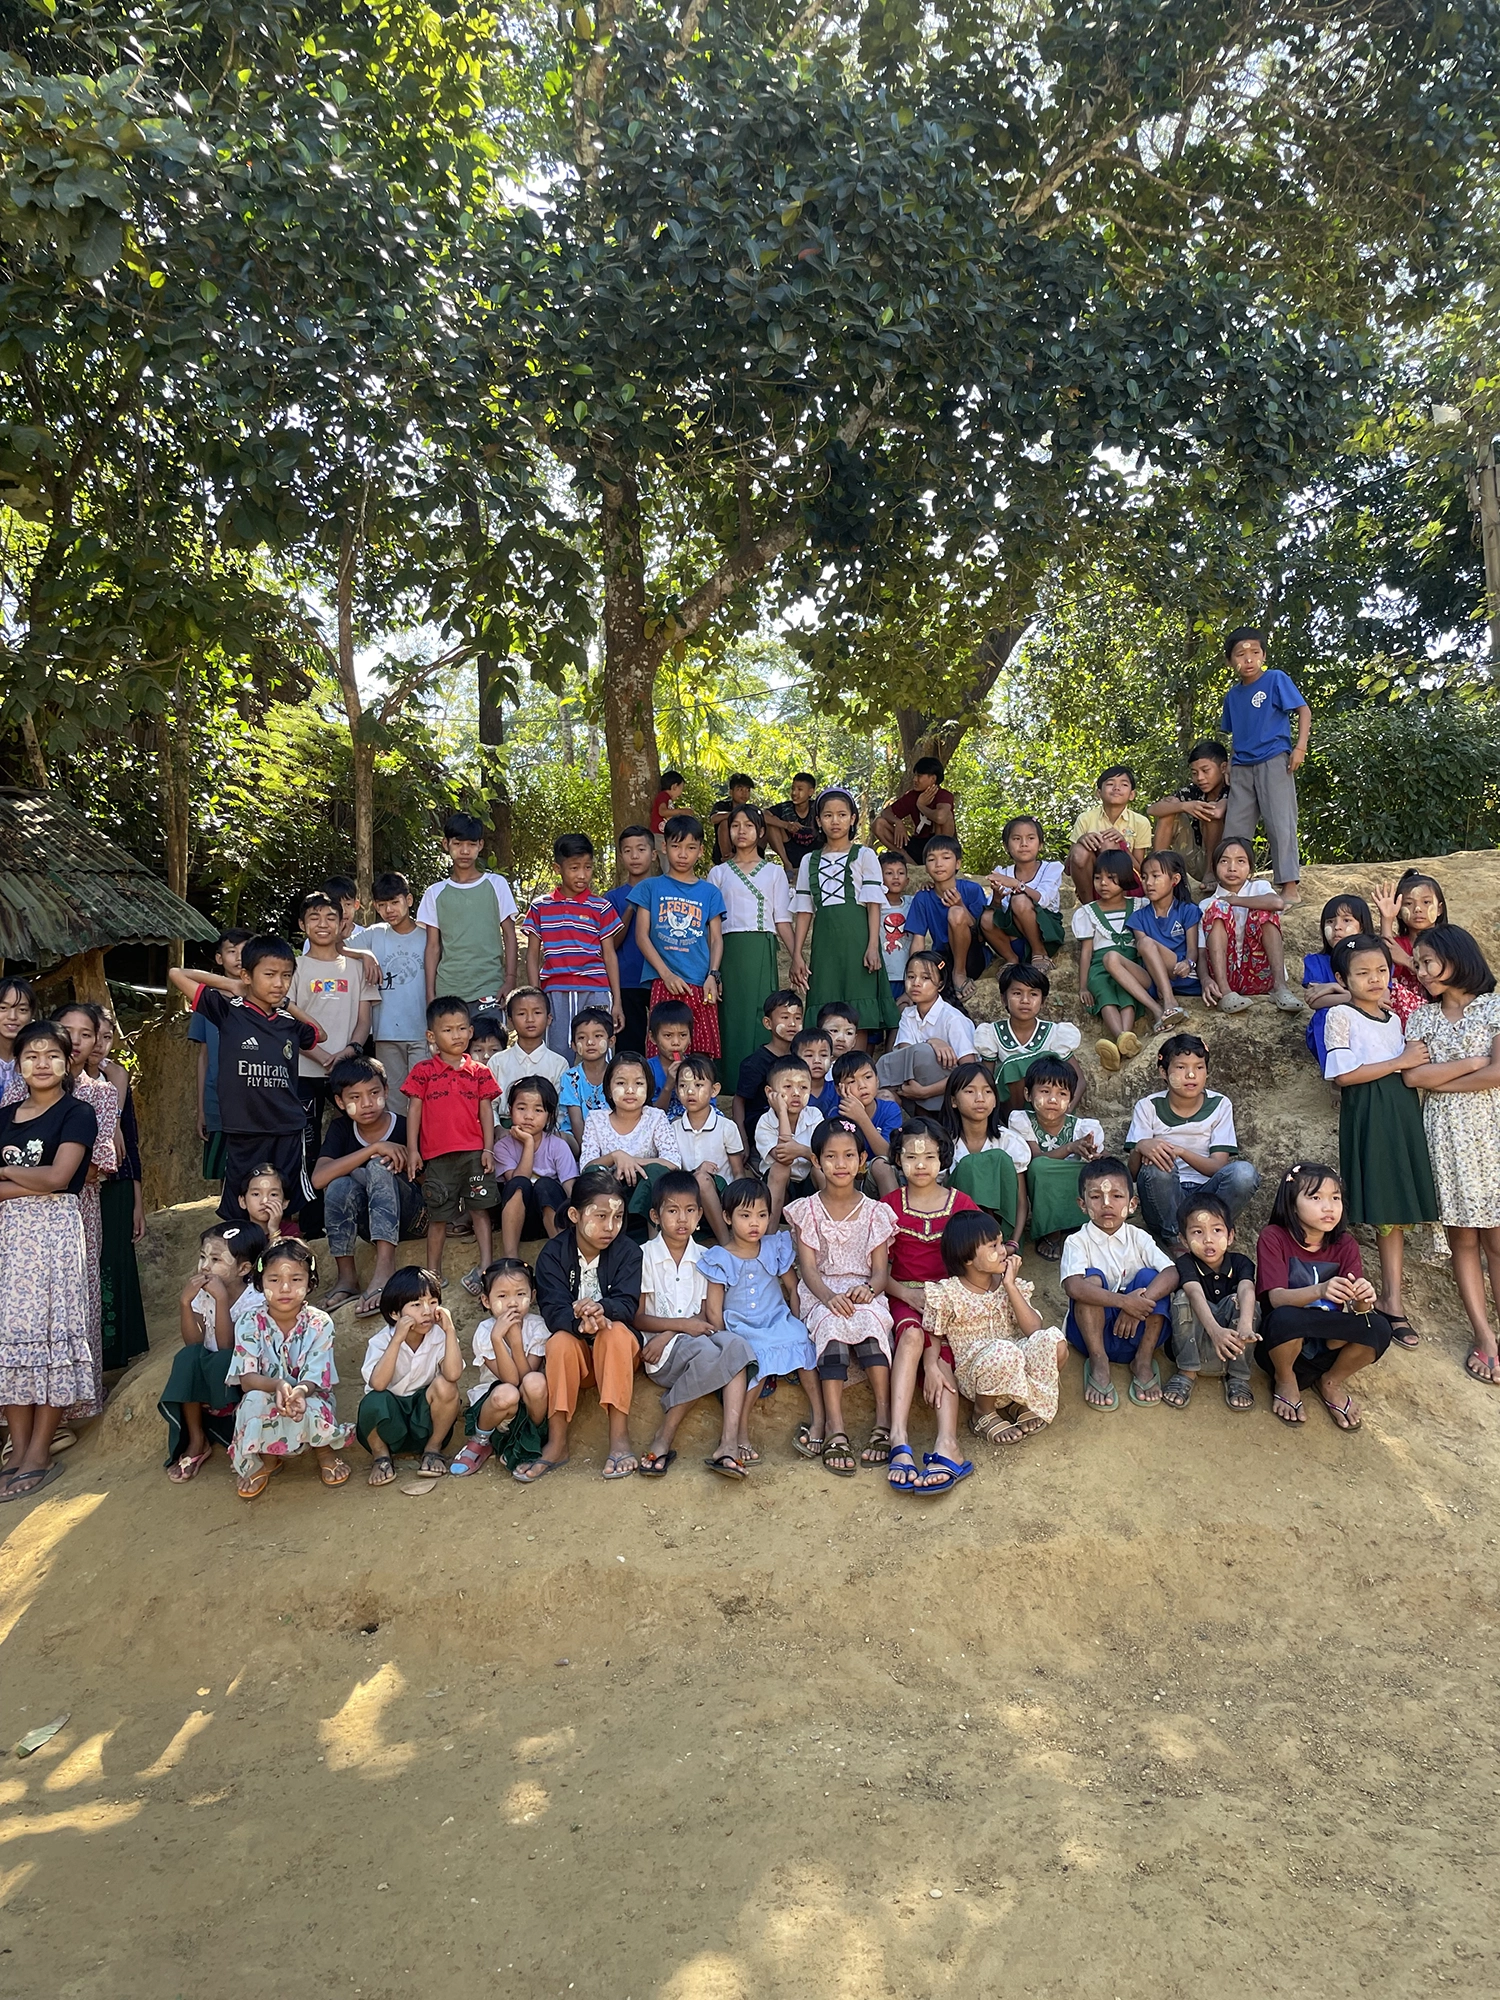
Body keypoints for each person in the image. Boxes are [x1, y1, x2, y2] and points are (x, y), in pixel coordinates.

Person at [1320, 934, 1437, 1350]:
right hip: (1370, 1112)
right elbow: (1343, 1075)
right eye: (1363, 973)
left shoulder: (1394, 1017)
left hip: (1401, 1113)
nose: (1375, 979)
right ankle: (1352, 1298)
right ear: (1342, 978)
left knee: (1395, 1210)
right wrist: (1400, 1062)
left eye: (1382, 971)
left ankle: (1391, 1299)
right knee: (1376, 1204)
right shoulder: (1341, 1016)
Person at [0, 1020, 98, 1502]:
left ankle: (40, 1454)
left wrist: (3, 1170)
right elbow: (45, 1177)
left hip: (54, 1235)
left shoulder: (77, 1113)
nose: (42, 1063)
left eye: (52, 1055)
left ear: (67, 1063)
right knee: (15, 1343)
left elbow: (60, 1178)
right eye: (32, 1055)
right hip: (8, 1242)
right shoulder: (1, 1116)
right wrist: (31, 1180)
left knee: (51, 1339)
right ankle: (18, 1453)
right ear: (18, 1064)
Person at [1403, 925, 1500, 1386]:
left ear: (1457, 957)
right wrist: (1473, 1065)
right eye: (1417, 964)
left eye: (1426, 962)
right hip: (1444, 1138)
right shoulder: (1421, 1018)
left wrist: (1444, 1079)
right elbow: (1411, 1078)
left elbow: (1499, 1075)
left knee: (1498, 1242)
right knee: (1463, 1239)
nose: (1420, 972)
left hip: (1492, 1134)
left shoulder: (1495, 1007)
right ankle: (1485, 1337)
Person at [169, 937, 318, 1226]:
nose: (279, 983)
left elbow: (318, 1034)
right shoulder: (227, 1011)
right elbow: (177, 974)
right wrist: (232, 985)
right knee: (241, 1200)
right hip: (243, 1127)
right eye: (270, 975)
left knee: (284, 1199)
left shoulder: (287, 1022)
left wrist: (289, 1005)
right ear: (247, 975)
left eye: (286, 976)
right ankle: (242, 1257)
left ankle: (280, 1259)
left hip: (287, 1126)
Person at [785, 1120, 897, 1475]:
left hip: (863, 1291)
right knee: (832, 1331)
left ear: (863, 1159)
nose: (840, 1164)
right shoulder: (807, 1210)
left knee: (870, 1329)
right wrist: (829, 1298)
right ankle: (836, 1427)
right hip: (821, 1292)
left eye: (849, 1155)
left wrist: (870, 1290)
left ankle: (884, 1422)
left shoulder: (876, 1211)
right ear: (817, 1162)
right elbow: (808, 1270)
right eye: (830, 1156)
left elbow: (880, 1272)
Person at [522, 1166, 644, 1484]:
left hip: (617, 1355)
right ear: (575, 1215)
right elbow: (552, 1310)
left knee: (614, 1332)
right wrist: (579, 1326)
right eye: (600, 1216)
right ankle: (557, 1443)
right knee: (559, 1341)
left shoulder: (629, 1252)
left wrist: (601, 1311)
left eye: (617, 1217)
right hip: (578, 1361)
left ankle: (619, 1440)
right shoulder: (552, 1255)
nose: (610, 1227)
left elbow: (628, 1304)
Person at [635, 1170, 758, 1478]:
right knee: (707, 1351)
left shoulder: (706, 1257)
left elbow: (705, 1313)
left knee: (738, 1346)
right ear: (655, 1215)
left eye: (690, 1210)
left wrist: (684, 1327)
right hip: (660, 1355)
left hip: (696, 1339)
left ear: (701, 1214)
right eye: (673, 1210)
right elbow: (635, 1316)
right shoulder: (644, 1257)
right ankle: (663, 1437)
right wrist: (668, 1332)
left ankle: (728, 1444)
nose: (682, 1219)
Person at [1256, 1162, 1392, 1429]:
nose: (1328, 1207)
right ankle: (1286, 1380)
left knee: (1378, 1326)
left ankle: (1330, 1381)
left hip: (1328, 1344)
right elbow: (1275, 1299)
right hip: (1282, 1344)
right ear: (1293, 1204)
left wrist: (1364, 1298)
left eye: (1335, 1198)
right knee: (1285, 1318)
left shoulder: (1345, 1244)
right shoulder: (1274, 1237)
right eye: (1316, 1198)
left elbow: (1357, 1309)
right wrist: (1319, 1290)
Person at [882, 1119, 978, 1493]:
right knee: (910, 1339)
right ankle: (899, 1438)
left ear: (944, 1159)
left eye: (929, 1157)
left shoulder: (961, 1205)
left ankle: (947, 1443)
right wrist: (908, 1296)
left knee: (942, 1359)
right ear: (898, 1160)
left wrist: (941, 1301)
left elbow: (974, 1264)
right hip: (902, 1295)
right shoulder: (888, 1206)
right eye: (910, 1157)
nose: (920, 1165)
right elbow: (875, 1271)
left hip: (949, 1302)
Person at [699, 1177, 820, 1455]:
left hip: (777, 1320)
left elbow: (792, 1287)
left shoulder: (774, 1247)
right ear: (727, 1217)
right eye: (745, 1215)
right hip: (742, 1328)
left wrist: (798, 1320)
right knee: (758, 1359)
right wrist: (724, 1343)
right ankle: (740, 1430)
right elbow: (714, 1310)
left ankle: (820, 1419)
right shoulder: (720, 1257)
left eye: (762, 1215)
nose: (755, 1223)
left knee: (803, 1343)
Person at [927, 1209, 1068, 1445]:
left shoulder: (1009, 1285)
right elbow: (933, 1334)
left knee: (1054, 1342)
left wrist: (1010, 1286)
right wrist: (931, 1366)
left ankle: (1021, 1402)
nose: (1004, 1251)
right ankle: (983, 1413)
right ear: (967, 1258)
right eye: (993, 1246)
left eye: (1002, 1242)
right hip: (979, 1377)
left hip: (1016, 1366)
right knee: (1005, 1352)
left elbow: (1034, 1329)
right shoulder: (948, 1294)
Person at [227, 1239, 351, 1496]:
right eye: (273, 1280)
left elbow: (316, 1376)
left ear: (310, 1282)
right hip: (265, 1392)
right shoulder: (249, 1321)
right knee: (252, 1401)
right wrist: (278, 1386)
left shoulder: (320, 1323)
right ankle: (268, 1458)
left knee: (315, 1404)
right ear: (260, 1283)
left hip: (309, 1394)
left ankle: (324, 1452)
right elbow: (248, 1379)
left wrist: (299, 1392)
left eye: (296, 1279)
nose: (285, 1288)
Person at [1060, 1156, 1177, 1411]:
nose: (1106, 1204)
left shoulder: (1140, 1237)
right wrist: (1125, 1302)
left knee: (1151, 1278)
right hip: (1093, 1335)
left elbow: (1171, 1272)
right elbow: (1073, 1287)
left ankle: (1143, 1361)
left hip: (1139, 1333)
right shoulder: (1077, 1242)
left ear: (1133, 1203)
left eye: (1117, 1196)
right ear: (1082, 1204)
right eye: (1095, 1197)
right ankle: (1099, 1362)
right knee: (1090, 1280)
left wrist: (1137, 1306)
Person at [1125, 1032, 1261, 1249]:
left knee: (1244, 1173)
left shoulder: (1220, 1105)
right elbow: (1132, 1174)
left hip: (1207, 1194)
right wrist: (1141, 1148)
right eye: (1180, 1067)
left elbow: (1217, 1167)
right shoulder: (1148, 1106)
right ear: (1163, 1071)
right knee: (1157, 1167)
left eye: (1199, 1067)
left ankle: (1209, 1228)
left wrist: (1180, 1152)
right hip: (1165, 1198)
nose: (1191, 1075)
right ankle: (1175, 1239)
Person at [311, 1055, 423, 1316]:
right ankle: (347, 1278)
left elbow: (428, 1183)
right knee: (338, 1184)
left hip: (414, 1217)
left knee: (377, 1167)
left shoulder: (406, 1127)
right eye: (355, 1097)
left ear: (386, 1089)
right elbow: (319, 1179)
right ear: (340, 1102)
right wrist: (374, 1148)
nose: (367, 1103)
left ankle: (384, 1271)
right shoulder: (341, 1130)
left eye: (374, 1093)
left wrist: (405, 1163)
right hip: (368, 1223)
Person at [403, 995, 500, 1294]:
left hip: (474, 1153)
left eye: (461, 1028)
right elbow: (414, 1111)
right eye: (448, 1030)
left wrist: (488, 1148)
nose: (456, 1035)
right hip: (437, 1157)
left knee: (480, 1210)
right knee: (439, 1215)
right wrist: (413, 1150)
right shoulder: (423, 1071)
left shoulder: (480, 1072)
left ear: (470, 1031)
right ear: (431, 1036)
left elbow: (486, 1111)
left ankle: (486, 1264)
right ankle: (433, 1271)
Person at [161, 1221, 267, 1480]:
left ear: (244, 1268)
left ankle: (241, 1437)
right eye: (202, 1257)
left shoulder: (256, 1300)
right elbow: (193, 1344)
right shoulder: (204, 1292)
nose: (205, 1266)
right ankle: (197, 1440)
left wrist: (221, 1300)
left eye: (216, 1259)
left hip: (238, 1378)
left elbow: (226, 1348)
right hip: (209, 1376)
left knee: (222, 1360)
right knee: (187, 1358)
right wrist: (185, 1303)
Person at [53, 1003, 118, 1416]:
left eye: (86, 1034)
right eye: (67, 1030)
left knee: (78, 1295)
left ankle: (77, 1403)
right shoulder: (20, 1088)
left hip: (79, 1210)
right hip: (17, 1216)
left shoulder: (101, 1093)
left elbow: (93, 1168)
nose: (76, 1041)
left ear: (97, 1043)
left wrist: (40, 1173)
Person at [790, 787, 897, 1036]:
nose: (835, 821)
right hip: (825, 945)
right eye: (827, 815)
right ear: (818, 821)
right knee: (825, 1013)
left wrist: (872, 946)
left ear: (852, 818)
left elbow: (873, 904)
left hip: (858, 942)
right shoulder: (809, 861)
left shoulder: (865, 855)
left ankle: (857, 1071)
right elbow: (805, 911)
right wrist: (796, 954)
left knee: (859, 1011)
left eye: (841, 814)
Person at [1218, 625, 1310, 904]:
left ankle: (1289, 885)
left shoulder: (1275, 679)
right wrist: (1231, 763)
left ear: (1263, 655)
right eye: (1240, 654)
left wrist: (1300, 748)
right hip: (1242, 766)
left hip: (1274, 759)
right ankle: (1231, 887)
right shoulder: (1232, 696)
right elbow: (1237, 732)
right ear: (1230, 660)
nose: (1248, 659)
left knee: (1280, 822)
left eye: (1254, 652)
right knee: (1234, 828)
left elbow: (1303, 710)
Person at [708, 802, 794, 1088]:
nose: (741, 831)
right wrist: (713, 969)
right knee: (730, 1014)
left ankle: (758, 1082)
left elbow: (781, 919)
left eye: (748, 825)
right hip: (729, 949)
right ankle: (729, 1082)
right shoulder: (718, 873)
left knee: (761, 1011)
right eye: (735, 825)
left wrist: (797, 956)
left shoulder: (774, 873)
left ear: (760, 832)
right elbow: (712, 927)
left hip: (761, 947)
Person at [630, 812, 726, 1060]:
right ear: (665, 847)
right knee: (663, 1049)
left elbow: (716, 939)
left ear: (701, 851)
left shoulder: (710, 893)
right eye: (676, 846)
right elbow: (641, 936)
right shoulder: (650, 887)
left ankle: (703, 1099)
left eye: (691, 847)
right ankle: (661, 1098)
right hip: (665, 981)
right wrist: (665, 973)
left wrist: (712, 975)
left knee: (701, 1052)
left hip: (700, 982)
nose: (683, 854)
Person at [356, 1265, 464, 1484]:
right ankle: (381, 1456)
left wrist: (450, 1331)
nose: (426, 1311)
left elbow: (453, 1374)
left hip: (423, 1420)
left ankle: (433, 1449)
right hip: (390, 1417)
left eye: (433, 1302)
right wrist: (397, 1340)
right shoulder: (381, 1341)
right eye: (416, 1304)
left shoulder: (439, 1335)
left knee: (447, 1387)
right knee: (372, 1402)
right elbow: (378, 1383)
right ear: (395, 1313)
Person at [524, 833, 625, 1059]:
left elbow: (609, 955)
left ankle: (604, 1095)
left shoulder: (601, 907)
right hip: (555, 991)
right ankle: (558, 1096)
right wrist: (536, 997)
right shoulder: (540, 907)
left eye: (588, 867)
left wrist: (617, 1001)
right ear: (557, 868)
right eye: (574, 868)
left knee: (600, 1051)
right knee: (557, 1054)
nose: (582, 875)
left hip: (596, 989)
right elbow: (532, 956)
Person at [450, 1259, 549, 1476]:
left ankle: (530, 1440)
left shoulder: (538, 1327)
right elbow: (509, 1381)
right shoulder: (485, 1331)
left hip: (530, 1403)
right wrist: (497, 1338)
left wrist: (515, 1341)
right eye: (502, 1296)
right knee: (506, 1393)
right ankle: (480, 1440)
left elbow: (523, 1379)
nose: (512, 1303)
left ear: (532, 1296)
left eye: (520, 1294)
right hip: (497, 1407)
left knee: (536, 1382)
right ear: (486, 1300)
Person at [92, 1007, 148, 1376]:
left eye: (105, 1037)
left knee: (114, 1264)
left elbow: (131, 1143)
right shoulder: (57, 1082)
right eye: (85, 1034)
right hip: (76, 1189)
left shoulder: (115, 1077)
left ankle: (116, 1355)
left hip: (117, 1186)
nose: (96, 1044)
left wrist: (138, 1201)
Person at [1162, 1192, 1257, 1412]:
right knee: (1184, 1298)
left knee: (1247, 1303)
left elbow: (1247, 1288)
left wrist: (1245, 1325)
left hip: (1233, 1345)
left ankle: (1238, 1376)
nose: (1208, 1240)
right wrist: (1215, 1331)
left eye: (1217, 1230)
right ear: (1184, 1240)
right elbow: (1194, 1292)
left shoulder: (1241, 1262)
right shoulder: (1185, 1263)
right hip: (1197, 1343)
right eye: (1197, 1232)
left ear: (1231, 1235)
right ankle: (1187, 1371)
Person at [419, 809, 519, 1009]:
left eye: (471, 844)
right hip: (448, 990)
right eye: (457, 844)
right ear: (446, 844)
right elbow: (432, 947)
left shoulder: (496, 884)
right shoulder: (435, 893)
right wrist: (430, 993)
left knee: (489, 1041)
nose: (464, 851)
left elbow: (510, 935)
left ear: (480, 845)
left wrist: (510, 979)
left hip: (490, 988)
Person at [1008, 1056, 1104, 1258]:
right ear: (1028, 1094)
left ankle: (1085, 1225)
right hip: (1040, 1185)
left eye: (1062, 1093)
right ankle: (1052, 1232)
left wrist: (1094, 1154)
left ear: (1070, 1100)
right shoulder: (1021, 1121)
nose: (1053, 1100)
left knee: (1101, 1171)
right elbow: (1035, 1159)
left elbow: (1100, 1159)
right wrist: (1070, 1147)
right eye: (1044, 1091)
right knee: (1041, 1167)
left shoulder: (1082, 1128)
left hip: (1073, 1190)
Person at [1071, 849, 1157, 1070]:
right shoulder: (1088, 912)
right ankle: (1123, 1039)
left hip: (1129, 963)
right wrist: (1083, 986)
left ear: (1125, 878)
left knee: (1127, 992)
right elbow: (1087, 951)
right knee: (1104, 992)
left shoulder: (1139, 905)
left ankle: (1121, 1041)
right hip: (1099, 965)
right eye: (1098, 878)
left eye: (1111, 878)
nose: (1103, 884)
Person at [1198, 836, 1302, 1013]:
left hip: (1260, 974)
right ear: (1215, 867)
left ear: (1250, 867)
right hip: (1225, 977)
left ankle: (1280, 988)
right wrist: (1205, 979)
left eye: (1240, 861)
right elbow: (1201, 951)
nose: (1232, 868)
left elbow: (1277, 903)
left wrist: (1235, 900)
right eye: (1224, 861)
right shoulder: (1206, 904)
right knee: (1217, 908)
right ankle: (1225, 993)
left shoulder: (1260, 887)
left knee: (1264, 910)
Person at [578, 1052, 683, 1223]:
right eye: (621, 1083)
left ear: (648, 1087)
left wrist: (632, 1161)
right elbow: (586, 1166)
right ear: (609, 1090)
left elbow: (673, 1162)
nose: (630, 1090)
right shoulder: (596, 1118)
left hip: (646, 1197)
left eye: (639, 1083)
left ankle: (653, 1239)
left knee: (657, 1171)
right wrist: (616, 1156)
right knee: (593, 1173)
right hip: (609, 1194)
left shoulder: (656, 1117)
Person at [939, 1058, 1031, 1241]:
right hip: (961, 1233)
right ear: (953, 1101)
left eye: (987, 1091)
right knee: (970, 1165)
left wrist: (1014, 1242)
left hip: (1003, 1235)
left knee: (998, 1157)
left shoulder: (1009, 1142)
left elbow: (1020, 1201)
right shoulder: (943, 1144)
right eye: (970, 1091)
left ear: (996, 1100)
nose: (980, 1098)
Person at [875, 950, 976, 1113]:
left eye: (926, 978)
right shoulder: (908, 1014)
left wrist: (925, 1092)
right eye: (911, 976)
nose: (916, 983)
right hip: (912, 1089)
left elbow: (969, 1071)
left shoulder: (953, 1019)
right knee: (882, 1090)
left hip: (949, 1095)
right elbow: (905, 1056)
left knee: (923, 1052)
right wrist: (932, 1042)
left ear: (941, 985)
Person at [973, 962, 1082, 1106]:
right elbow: (986, 1080)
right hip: (1010, 1112)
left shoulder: (1055, 1034)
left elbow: (1079, 1080)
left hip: (1048, 1108)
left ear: (1042, 1001)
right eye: (1017, 993)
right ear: (1003, 998)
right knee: (1012, 1066)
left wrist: (1066, 1110)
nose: (1025, 1000)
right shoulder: (992, 1034)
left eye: (1033, 994)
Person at [365, 873, 429, 1111]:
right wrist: (366, 954)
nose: (388, 909)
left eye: (394, 902)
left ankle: (421, 1147)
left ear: (409, 900)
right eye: (382, 905)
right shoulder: (374, 934)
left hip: (421, 1029)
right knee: (393, 1096)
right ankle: (397, 1147)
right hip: (386, 1031)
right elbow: (339, 946)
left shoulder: (427, 936)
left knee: (422, 1095)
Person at [188, 930, 249, 1178]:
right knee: (223, 1172)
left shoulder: (266, 997)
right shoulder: (207, 1000)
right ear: (218, 958)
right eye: (231, 951)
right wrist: (201, 1108)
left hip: (256, 1101)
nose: (238, 957)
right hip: (218, 1102)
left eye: (244, 951)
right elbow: (204, 1056)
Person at [495, 1076, 577, 1258]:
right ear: (510, 1110)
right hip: (518, 1220)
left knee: (545, 1185)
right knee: (519, 1183)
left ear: (549, 1115)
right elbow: (517, 1181)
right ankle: (511, 1258)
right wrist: (529, 1144)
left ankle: (563, 1254)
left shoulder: (558, 1145)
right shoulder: (503, 1146)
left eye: (538, 1110)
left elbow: (569, 1188)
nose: (528, 1116)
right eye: (521, 1108)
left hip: (552, 1218)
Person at [902, 835, 992, 991]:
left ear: (957, 863)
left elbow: (981, 935)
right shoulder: (923, 897)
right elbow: (918, 940)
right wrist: (914, 974)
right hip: (943, 957)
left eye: (945, 857)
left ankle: (959, 973)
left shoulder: (972, 890)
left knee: (956, 912)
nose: (938, 864)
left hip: (973, 956)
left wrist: (960, 905)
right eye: (931, 859)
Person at [670, 1053, 745, 1239]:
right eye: (682, 1085)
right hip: (686, 1195)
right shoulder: (672, 1129)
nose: (689, 1092)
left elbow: (738, 1172)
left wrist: (737, 1207)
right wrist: (696, 1171)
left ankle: (726, 1242)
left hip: (721, 1197)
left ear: (714, 1090)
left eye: (698, 1085)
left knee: (703, 1179)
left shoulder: (726, 1127)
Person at [1126, 849, 1201, 1028]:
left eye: (1156, 876)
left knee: (1145, 942)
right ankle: (1157, 1010)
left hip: (1180, 971)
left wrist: (1189, 962)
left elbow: (1192, 949)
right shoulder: (1138, 917)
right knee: (1110, 958)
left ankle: (1170, 1002)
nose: (1149, 883)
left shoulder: (1188, 910)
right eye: (1144, 877)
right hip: (1154, 978)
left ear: (1175, 880)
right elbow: (1144, 952)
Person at [1146, 740, 1230, 892]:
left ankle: (1210, 873)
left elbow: (1217, 812)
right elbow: (1152, 809)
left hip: (1222, 860)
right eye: (1194, 773)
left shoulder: (1232, 789)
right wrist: (1183, 806)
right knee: (1169, 813)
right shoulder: (1194, 791)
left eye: (1205, 770)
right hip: (1194, 857)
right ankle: (1155, 870)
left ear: (1223, 768)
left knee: (1209, 814)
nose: (1200, 778)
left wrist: (1202, 806)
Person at [1301, 893, 1374, 1065]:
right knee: (1325, 1015)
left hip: (1368, 1021)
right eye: (1330, 921)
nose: (1337, 927)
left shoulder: (1374, 959)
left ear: (1362, 927)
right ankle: (1337, 1072)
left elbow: (1383, 997)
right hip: (1338, 1023)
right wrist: (1358, 997)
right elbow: (1316, 1001)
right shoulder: (1316, 961)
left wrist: (1335, 988)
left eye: (1346, 920)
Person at [986, 816, 1066, 972]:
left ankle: (1039, 953)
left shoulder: (1051, 868)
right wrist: (997, 897)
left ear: (1040, 844)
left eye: (1031, 838)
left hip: (1045, 934)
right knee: (987, 917)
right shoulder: (1002, 872)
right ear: (1006, 846)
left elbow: (1043, 899)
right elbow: (995, 912)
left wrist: (1016, 884)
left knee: (1019, 901)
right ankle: (1011, 959)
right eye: (1016, 838)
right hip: (1015, 939)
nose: (1024, 844)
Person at [1066, 765, 1152, 908]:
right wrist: (1081, 842)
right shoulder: (1085, 819)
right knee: (1081, 849)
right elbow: (1071, 863)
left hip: (1128, 887)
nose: (1116, 788)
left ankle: (1118, 906)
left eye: (1124, 784)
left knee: (1109, 844)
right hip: (1095, 885)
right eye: (1110, 784)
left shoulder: (1140, 822)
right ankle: (1090, 909)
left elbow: (1140, 869)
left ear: (1132, 794)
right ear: (1098, 793)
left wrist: (1122, 846)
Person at [606, 824, 658, 1055]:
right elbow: (612, 943)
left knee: (665, 1042)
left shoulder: (665, 891)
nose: (634, 856)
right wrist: (631, 905)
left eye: (641, 849)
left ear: (654, 854)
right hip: (626, 981)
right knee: (630, 1049)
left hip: (661, 978)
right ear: (621, 856)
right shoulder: (612, 898)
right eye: (627, 851)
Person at [1374, 870, 1447, 1029]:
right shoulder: (1398, 944)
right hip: (1402, 1016)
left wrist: (1408, 961)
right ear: (1399, 911)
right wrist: (1386, 919)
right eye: (1408, 903)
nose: (1418, 909)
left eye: (1426, 902)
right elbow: (1385, 957)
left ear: (1439, 909)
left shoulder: (1448, 942)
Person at [753, 1053, 821, 1223]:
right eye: (787, 1087)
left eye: (804, 1087)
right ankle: (770, 1231)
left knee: (819, 1169)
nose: (796, 1093)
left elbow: (825, 1155)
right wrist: (782, 1112)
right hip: (779, 1189)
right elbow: (783, 1156)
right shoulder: (765, 1122)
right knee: (780, 1169)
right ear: (770, 1093)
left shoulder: (815, 1116)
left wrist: (802, 1150)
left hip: (808, 1185)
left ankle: (831, 1223)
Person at [731, 989, 803, 1148]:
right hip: (763, 1132)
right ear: (767, 1023)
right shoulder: (755, 1063)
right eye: (785, 1017)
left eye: (797, 1018)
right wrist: (742, 1139)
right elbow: (739, 1101)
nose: (792, 1024)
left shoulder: (802, 1059)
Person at [830, 1050, 902, 1194]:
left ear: (877, 1080)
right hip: (849, 1178)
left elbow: (887, 1154)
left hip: (880, 1175)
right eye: (851, 1081)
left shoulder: (889, 1109)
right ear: (839, 1089)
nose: (862, 1085)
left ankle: (896, 1215)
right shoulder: (836, 1115)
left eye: (868, 1077)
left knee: (881, 1164)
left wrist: (861, 1117)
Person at [488, 986, 569, 1100]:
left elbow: (560, 1111)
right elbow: (490, 1107)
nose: (530, 1019)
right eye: (521, 1014)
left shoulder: (559, 1064)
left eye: (537, 1012)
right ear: (510, 1021)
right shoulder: (497, 1062)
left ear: (549, 1019)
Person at [873, 756, 957, 863]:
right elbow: (885, 813)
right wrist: (897, 822)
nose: (915, 779)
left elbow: (941, 817)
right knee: (878, 823)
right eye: (915, 775)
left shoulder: (944, 795)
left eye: (919, 776)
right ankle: (910, 864)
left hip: (937, 844)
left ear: (933, 779)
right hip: (916, 844)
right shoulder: (912, 796)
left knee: (947, 815)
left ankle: (939, 860)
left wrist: (921, 806)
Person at [557, 1005, 614, 1149]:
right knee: (558, 1139)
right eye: (582, 1037)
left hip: (612, 1137)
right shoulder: (570, 1077)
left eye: (598, 1036)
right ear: (574, 1045)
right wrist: (589, 1152)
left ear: (611, 1041)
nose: (589, 1042)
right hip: (577, 1139)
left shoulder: (618, 1076)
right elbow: (576, 1121)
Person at [765, 771, 822, 877]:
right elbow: (763, 815)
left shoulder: (818, 807)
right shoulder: (785, 807)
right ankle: (787, 864)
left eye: (800, 789)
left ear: (810, 792)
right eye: (793, 788)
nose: (794, 793)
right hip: (791, 852)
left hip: (815, 852)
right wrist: (786, 825)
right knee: (771, 825)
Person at [646, 997, 695, 1113]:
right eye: (668, 1035)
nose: (676, 1042)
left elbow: (707, 1108)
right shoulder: (646, 1070)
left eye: (683, 1035)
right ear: (652, 1038)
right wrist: (668, 1086)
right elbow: (650, 1116)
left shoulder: (697, 1068)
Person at [879, 851, 915, 1003]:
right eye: (889, 873)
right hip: (882, 976)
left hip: (905, 975)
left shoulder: (911, 903)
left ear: (907, 881)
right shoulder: (874, 907)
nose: (895, 877)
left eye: (900, 873)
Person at [708, 772, 759, 863]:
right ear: (731, 792)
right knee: (724, 822)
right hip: (722, 855)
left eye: (747, 790)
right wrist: (735, 814)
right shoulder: (721, 806)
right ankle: (728, 858)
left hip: (746, 853)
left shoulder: (751, 809)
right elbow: (714, 819)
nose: (744, 793)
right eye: (740, 789)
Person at [791, 1025, 836, 1117]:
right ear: (795, 1059)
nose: (817, 1060)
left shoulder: (838, 1090)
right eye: (809, 1055)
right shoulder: (791, 1093)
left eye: (823, 1055)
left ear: (831, 1059)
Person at [650, 769, 687, 855]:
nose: (680, 793)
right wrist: (680, 811)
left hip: (664, 835)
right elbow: (662, 812)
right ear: (674, 786)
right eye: (681, 788)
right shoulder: (663, 796)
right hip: (659, 835)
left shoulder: (668, 799)